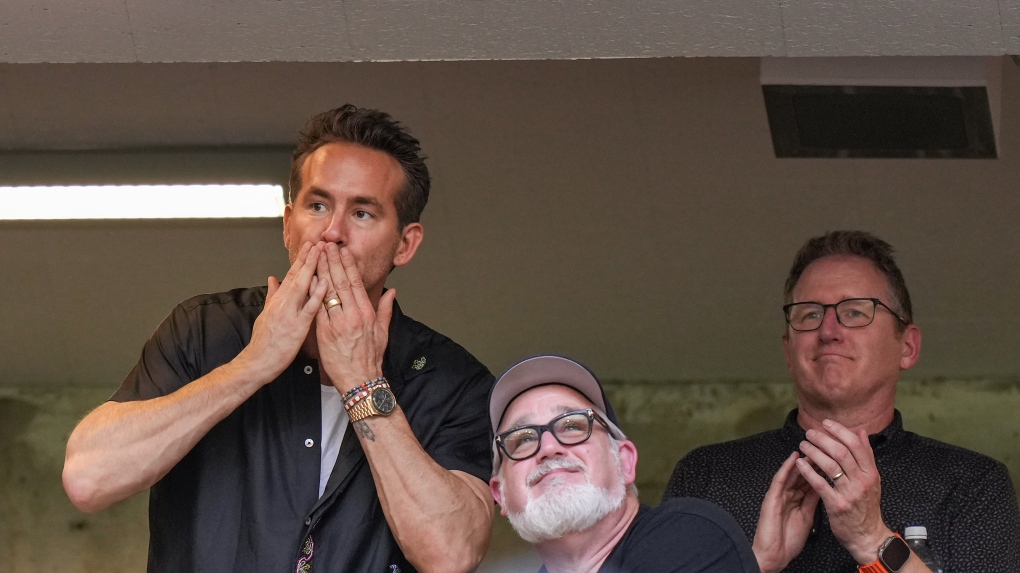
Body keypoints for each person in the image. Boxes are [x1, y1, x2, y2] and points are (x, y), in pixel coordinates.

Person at [62, 105, 495, 573]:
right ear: (288, 224)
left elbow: (452, 554)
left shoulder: (452, 379)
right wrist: (252, 365)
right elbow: (88, 479)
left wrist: (362, 381)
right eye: (318, 206)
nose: (333, 232)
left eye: (363, 213)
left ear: (405, 244)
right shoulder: (205, 330)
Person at [664, 230, 1020, 573]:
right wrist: (756, 564)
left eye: (854, 312)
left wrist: (873, 539)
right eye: (810, 314)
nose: (829, 331)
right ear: (788, 350)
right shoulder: (708, 476)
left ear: (907, 346)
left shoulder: (971, 485)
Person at [488, 354, 761, 573]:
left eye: (572, 425)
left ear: (625, 462)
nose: (548, 447)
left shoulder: (689, 535)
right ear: (501, 495)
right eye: (521, 439)